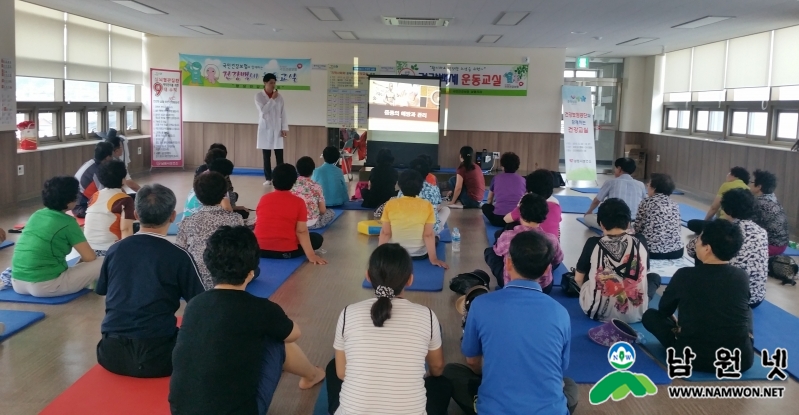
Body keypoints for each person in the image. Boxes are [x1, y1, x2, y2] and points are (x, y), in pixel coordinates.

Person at [169, 226, 325, 415]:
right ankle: (312, 375)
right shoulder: (261, 308)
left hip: (181, 410)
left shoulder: (194, 305)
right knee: (279, 339)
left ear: (209, 267)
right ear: (251, 272)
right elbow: (294, 334)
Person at [444, 231, 578, 415]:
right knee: (570, 385)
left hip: (494, 410)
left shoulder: (481, 304)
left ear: (507, 262)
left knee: (452, 372)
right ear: (547, 269)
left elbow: (473, 361)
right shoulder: (561, 313)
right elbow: (560, 368)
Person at [325, 243, 452, 415]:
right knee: (441, 383)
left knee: (333, 368)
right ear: (410, 280)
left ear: (368, 276)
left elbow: (341, 373)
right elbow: (437, 368)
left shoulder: (349, 312)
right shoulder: (426, 316)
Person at [96, 184, 206, 378]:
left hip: (110, 354)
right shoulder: (179, 256)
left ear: (136, 215)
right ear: (173, 217)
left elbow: (103, 289)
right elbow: (201, 303)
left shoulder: (115, 250)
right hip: (161, 357)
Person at [642, 219, 754, 374]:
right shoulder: (741, 276)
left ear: (707, 248)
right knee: (747, 311)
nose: (696, 243)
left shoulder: (684, 275)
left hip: (690, 357)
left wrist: (676, 322)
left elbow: (663, 310)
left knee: (650, 316)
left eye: (699, 240)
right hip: (740, 361)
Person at [10, 176, 102, 297]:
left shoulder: (36, 215)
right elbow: (90, 257)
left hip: (17, 282)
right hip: (46, 286)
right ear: (70, 199)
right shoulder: (68, 222)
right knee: (103, 261)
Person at [687, 188, 768, 308]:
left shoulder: (723, 230)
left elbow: (690, 249)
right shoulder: (762, 231)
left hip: (726, 299)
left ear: (727, 209)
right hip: (756, 298)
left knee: (702, 251)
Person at [575, 198, 652, 323]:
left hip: (596, 312)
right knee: (653, 278)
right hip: (637, 314)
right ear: (628, 224)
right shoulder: (640, 240)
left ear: (601, 224)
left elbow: (578, 279)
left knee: (591, 273)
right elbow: (644, 273)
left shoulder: (593, 243)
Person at [176, 172, 245, 290]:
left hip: (196, 278)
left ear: (197, 196)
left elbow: (180, 251)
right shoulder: (235, 219)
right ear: (224, 194)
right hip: (226, 278)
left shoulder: (188, 221)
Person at [485, 194, 563, 291]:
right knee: (550, 256)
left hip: (510, 283)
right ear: (544, 215)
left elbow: (498, 251)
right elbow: (558, 260)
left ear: (520, 212)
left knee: (490, 252)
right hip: (544, 288)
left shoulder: (507, 236)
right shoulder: (552, 239)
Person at [254, 163, 327, 264]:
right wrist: (311, 255)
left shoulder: (264, 198)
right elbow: (301, 231)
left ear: (273, 180)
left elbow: (259, 223)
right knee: (316, 238)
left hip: (259, 251)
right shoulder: (298, 202)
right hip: (286, 252)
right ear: (294, 181)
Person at [379, 170, 448, 269]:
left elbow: (386, 233)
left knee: (384, 229)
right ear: (420, 187)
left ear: (400, 185)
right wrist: (433, 259)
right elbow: (428, 234)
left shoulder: (390, 204)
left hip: (395, 254)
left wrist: (379, 256)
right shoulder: (427, 205)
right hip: (419, 255)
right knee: (433, 234)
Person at [83, 160, 135, 256]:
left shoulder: (95, 195)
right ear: (123, 179)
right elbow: (126, 230)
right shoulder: (125, 199)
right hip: (109, 251)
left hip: (88, 250)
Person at [583, 157, 646, 230]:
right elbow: (644, 204)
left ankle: (613, 230)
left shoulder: (610, 182)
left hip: (613, 223)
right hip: (633, 223)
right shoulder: (640, 184)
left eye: (615, 168)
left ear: (619, 169)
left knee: (588, 217)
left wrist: (589, 211)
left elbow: (597, 200)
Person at [634, 173, 684, 259]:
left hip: (652, 252)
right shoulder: (674, 204)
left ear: (654, 188)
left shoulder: (646, 202)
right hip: (677, 251)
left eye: (649, 183)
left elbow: (637, 228)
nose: (647, 185)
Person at [687, 166, 750, 234]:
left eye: (730, 173)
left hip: (724, 224)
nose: (727, 175)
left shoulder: (727, 185)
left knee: (691, 223)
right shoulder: (748, 190)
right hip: (740, 228)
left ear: (735, 176)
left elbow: (714, 208)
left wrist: (706, 222)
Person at [504, 169, 563, 240]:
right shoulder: (556, 203)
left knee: (508, 226)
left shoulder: (528, 202)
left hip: (531, 243)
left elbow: (506, 219)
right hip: (552, 245)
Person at [397, 157, 449, 235]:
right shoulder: (434, 188)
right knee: (446, 209)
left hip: (408, 230)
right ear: (427, 173)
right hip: (430, 232)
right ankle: (437, 233)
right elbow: (437, 206)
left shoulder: (402, 190)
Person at [184, 158, 249, 219]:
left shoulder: (202, 179)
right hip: (202, 218)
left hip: (189, 217)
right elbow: (228, 211)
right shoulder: (217, 184)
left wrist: (235, 208)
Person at [256, 73, 288, 186]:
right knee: (266, 155)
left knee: (279, 155)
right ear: (265, 83)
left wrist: (284, 128)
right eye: (271, 83)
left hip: (277, 129)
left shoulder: (280, 97)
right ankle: (268, 178)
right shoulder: (259, 96)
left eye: (274, 83)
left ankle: (281, 178)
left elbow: (283, 113)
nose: (273, 85)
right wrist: (272, 99)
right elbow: (263, 111)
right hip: (265, 130)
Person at [749, 169, 789, 256]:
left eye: (751, 182)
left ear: (759, 186)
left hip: (771, 246)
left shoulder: (758, 202)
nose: (750, 184)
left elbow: (748, 225)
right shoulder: (773, 199)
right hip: (783, 244)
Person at [481, 152, 526, 226]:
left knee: (485, 207)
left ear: (503, 166)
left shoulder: (496, 178)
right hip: (516, 220)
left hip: (498, 220)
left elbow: (489, 200)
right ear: (517, 166)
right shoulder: (523, 180)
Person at [73, 141, 115, 218]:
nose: (113, 158)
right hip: (80, 207)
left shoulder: (91, 163)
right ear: (107, 157)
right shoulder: (98, 171)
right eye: (112, 155)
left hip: (76, 201)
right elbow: (103, 193)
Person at [292, 156, 335, 230]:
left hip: (295, 224)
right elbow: (322, 210)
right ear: (313, 170)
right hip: (313, 223)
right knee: (331, 213)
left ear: (297, 170)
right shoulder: (317, 186)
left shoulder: (291, 185)